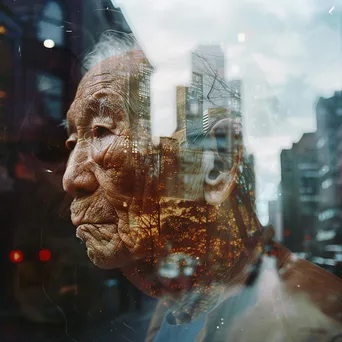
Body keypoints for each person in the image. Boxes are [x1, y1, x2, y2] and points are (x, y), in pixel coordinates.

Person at [62, 33, 342, 342]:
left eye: (102, 131)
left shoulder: (308, 326)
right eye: (73, 141)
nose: (71, 178)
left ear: (216, 167)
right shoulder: (183, 304)